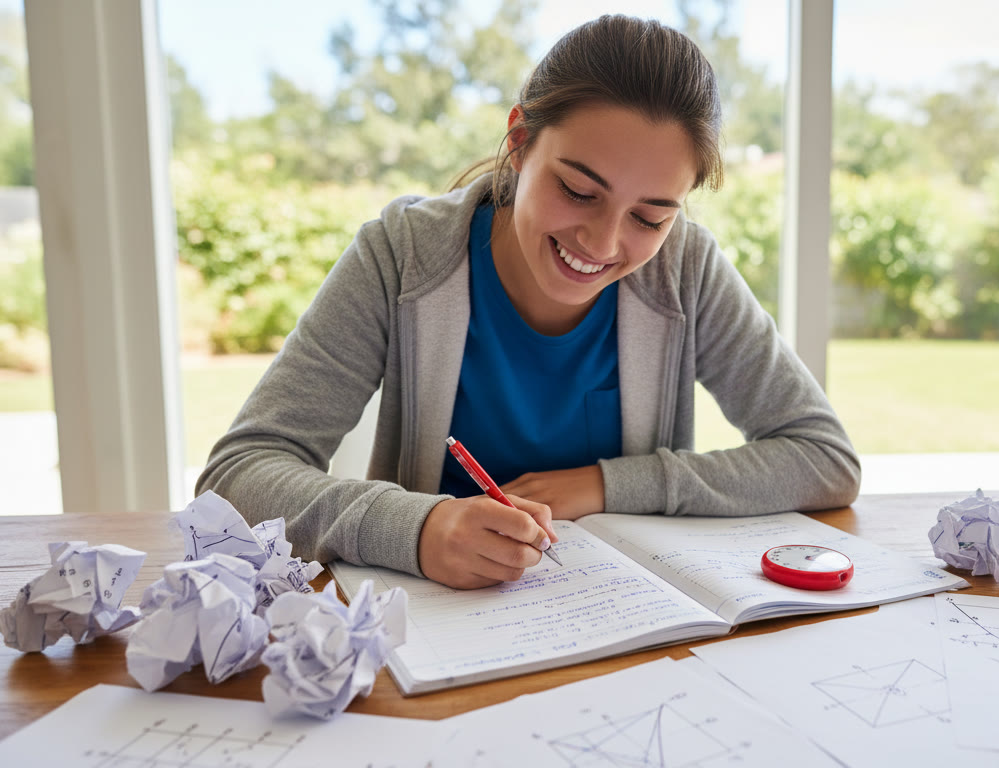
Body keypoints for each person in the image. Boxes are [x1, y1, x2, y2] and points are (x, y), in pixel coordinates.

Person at [197, 14, 860, 590]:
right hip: (437, 633)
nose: (602, 243)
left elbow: (823, 458)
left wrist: (604, 485)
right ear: (518, 142)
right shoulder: (399, 255)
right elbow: (236, 477)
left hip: (622, 628)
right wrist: (417, 528)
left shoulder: (686, 269)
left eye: (650, 218)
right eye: (578, 190)